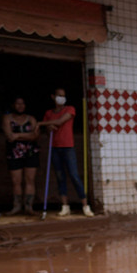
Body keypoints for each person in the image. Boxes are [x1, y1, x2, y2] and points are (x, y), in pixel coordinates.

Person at [40, 88, 93, 217]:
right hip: (54, 147)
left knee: (74, 175)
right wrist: (48, 127)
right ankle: (65, 206)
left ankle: (85, 205)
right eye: (59, 95)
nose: (61, 98)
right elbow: (48, 131)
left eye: (63, 96)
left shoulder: (70, 109)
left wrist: (41, 123)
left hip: (68, 147)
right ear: (53, 96)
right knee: (60, 176)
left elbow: (59, 122)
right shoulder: (48, 113)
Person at [1, 97, 39, 215]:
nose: (20, 106)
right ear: (13, 105)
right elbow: (9, 136)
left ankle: (29, 207)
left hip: (31, 152)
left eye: (22, 103)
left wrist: (17, 135)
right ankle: (17, 206)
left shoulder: (31, 119)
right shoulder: (7, 118)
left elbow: (35, 136)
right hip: (14, 153)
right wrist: (26, 135)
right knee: (16, 180)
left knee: (30, 179)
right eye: (17, 103)